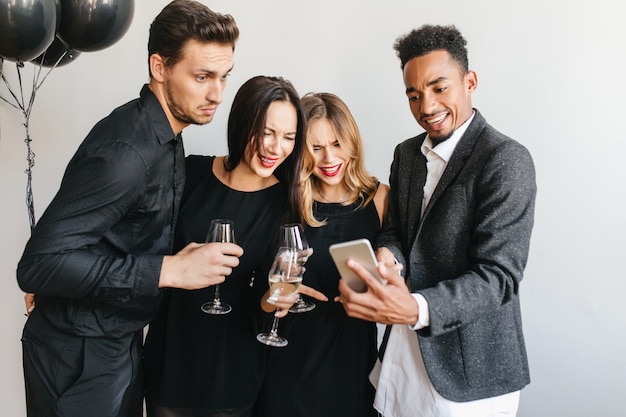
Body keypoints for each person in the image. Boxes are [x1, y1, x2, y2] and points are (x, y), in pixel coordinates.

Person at [16, 2, 242, 416]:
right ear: (160, 67)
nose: (217, 94)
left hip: (117, 342)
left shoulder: (168, 135)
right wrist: (168, 270)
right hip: (77, 356)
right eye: (202, 77)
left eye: (224, 77)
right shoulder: (127, 152)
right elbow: (38, 265)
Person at [338, 25, 536, 417]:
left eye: (439, 87)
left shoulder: (506, 160)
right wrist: (388, 256)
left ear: (470, 81)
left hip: (469, 373)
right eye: (413, 94)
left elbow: (499, 276)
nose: (426, 106)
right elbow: (397, 230)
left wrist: (416, 309)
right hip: (399, 356)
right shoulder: (407, 154)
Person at [143, 75, 309, 417]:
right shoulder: (191, 172)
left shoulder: (284, 205)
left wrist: (276, 298)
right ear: (241, 124)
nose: (276, 148)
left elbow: (263, 304)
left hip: (231, 373)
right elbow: (138, 238)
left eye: (288, 137)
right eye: (266, 132)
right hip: (170, 357)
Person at [254, 92, 389, 417]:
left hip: (354, 362)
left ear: (352, 142)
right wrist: (273, 298)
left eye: (337, 143)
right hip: (289, 363)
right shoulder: (285, 201)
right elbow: (261, 295)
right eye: (315, 147)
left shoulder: (380, 199)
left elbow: (400, 278)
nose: (329, 158)